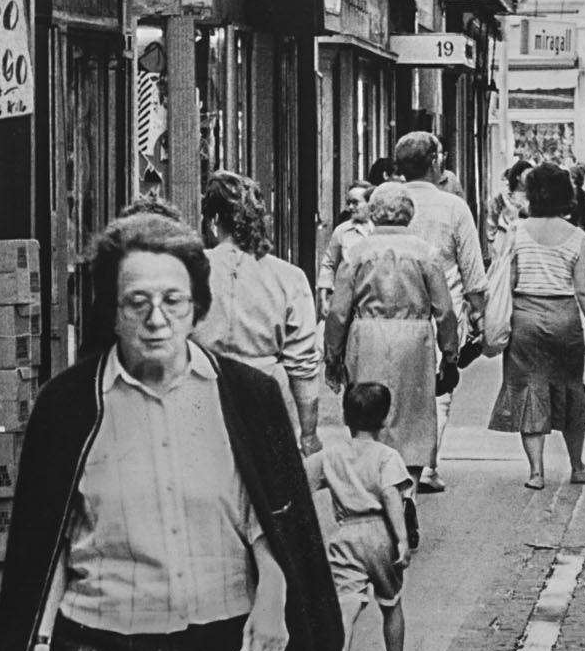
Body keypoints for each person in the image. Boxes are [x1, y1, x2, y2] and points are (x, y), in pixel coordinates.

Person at [0, 211, 346, 651]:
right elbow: (49, 542)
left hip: (221, 648)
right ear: (112, 310)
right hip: (105, 649)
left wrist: (273, 602)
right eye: (137, 301)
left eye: (173, 300)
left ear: (197, 306)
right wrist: (36, 647)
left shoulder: (246, 395)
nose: (156, 317)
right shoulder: (70, 406)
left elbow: (269, 518)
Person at [324, 183, 459, 494]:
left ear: (375, 211)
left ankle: (375, 488)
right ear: (408, 212)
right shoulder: (426, 252)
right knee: (413, 417)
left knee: (368, 414)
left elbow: (338, 311)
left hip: (367, 336)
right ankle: (407, 492)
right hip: (414, 338)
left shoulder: (357, 253)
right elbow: (444, 310)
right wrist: (449, 352)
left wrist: (333, 353)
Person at [488, 160, 585, 488]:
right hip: (565, 318)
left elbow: (506, 281)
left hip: (525, 317)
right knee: (569, 388)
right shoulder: (576, 236)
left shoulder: (516, 232)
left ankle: (536, 472)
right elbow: (584, 290)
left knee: (529, 390)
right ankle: (577, 466)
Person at [195, 170, 322, 457]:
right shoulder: (289, 277)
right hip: (266, 396)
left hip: (199, 392)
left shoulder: (188, 270)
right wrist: (309, 434)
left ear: (213, 221)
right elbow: (302, 363)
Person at [395, 130, 487, 492]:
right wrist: (478, 313)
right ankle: (427, 466)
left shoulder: (384, 201)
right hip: (441, 312)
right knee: (439, 392)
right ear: (435, 163)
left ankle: (397, 465)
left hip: (389, 310)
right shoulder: (453, 207)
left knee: (397, 388)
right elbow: (472, 268)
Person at [309, 382, 414, 651]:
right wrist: (402, 539)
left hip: (345, 535)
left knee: (346, 601)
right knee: (391, 602)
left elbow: (300, 482)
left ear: (345, 417)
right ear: (385, 419)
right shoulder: (386, 456)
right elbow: (391, 495)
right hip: (381, 532)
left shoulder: (331, 455)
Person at [317, 182, 373, 318]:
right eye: (349, 203)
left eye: (355, 203)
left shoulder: (380, 230)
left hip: (373, 302)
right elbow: (329, 264)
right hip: (346, 302)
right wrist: (324, 299)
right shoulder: (342, 231)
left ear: (370, 204)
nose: (350, 207)